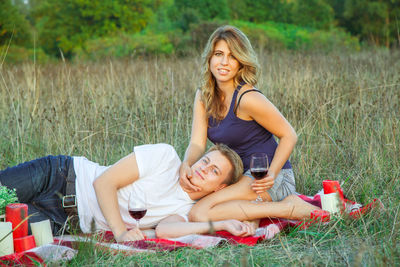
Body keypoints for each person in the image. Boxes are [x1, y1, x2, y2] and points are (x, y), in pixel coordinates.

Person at [0, 143, 256, 241]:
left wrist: (220, 223)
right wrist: (121, 232)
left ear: (220, 187)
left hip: (63, 223)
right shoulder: (166, 157)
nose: (203, 169)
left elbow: (166, 231)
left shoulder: (187, 211)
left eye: (214, 171)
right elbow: (104, 182)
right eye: (205, 161)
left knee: (3, 233)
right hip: (59, 176)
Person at [179, 25, 304, 222]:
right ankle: (259, 214)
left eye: (232, 56)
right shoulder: (204, 96)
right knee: (197, 207)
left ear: (241, 63)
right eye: (219, 54)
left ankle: (289, 207)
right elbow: (196, 143)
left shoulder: (247, 98)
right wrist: (186, 163)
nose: (224, 62)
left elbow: (289, 135)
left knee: (199, 212)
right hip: (236, 178)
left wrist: (272, 173)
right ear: (210, 58)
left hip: (265, 178)